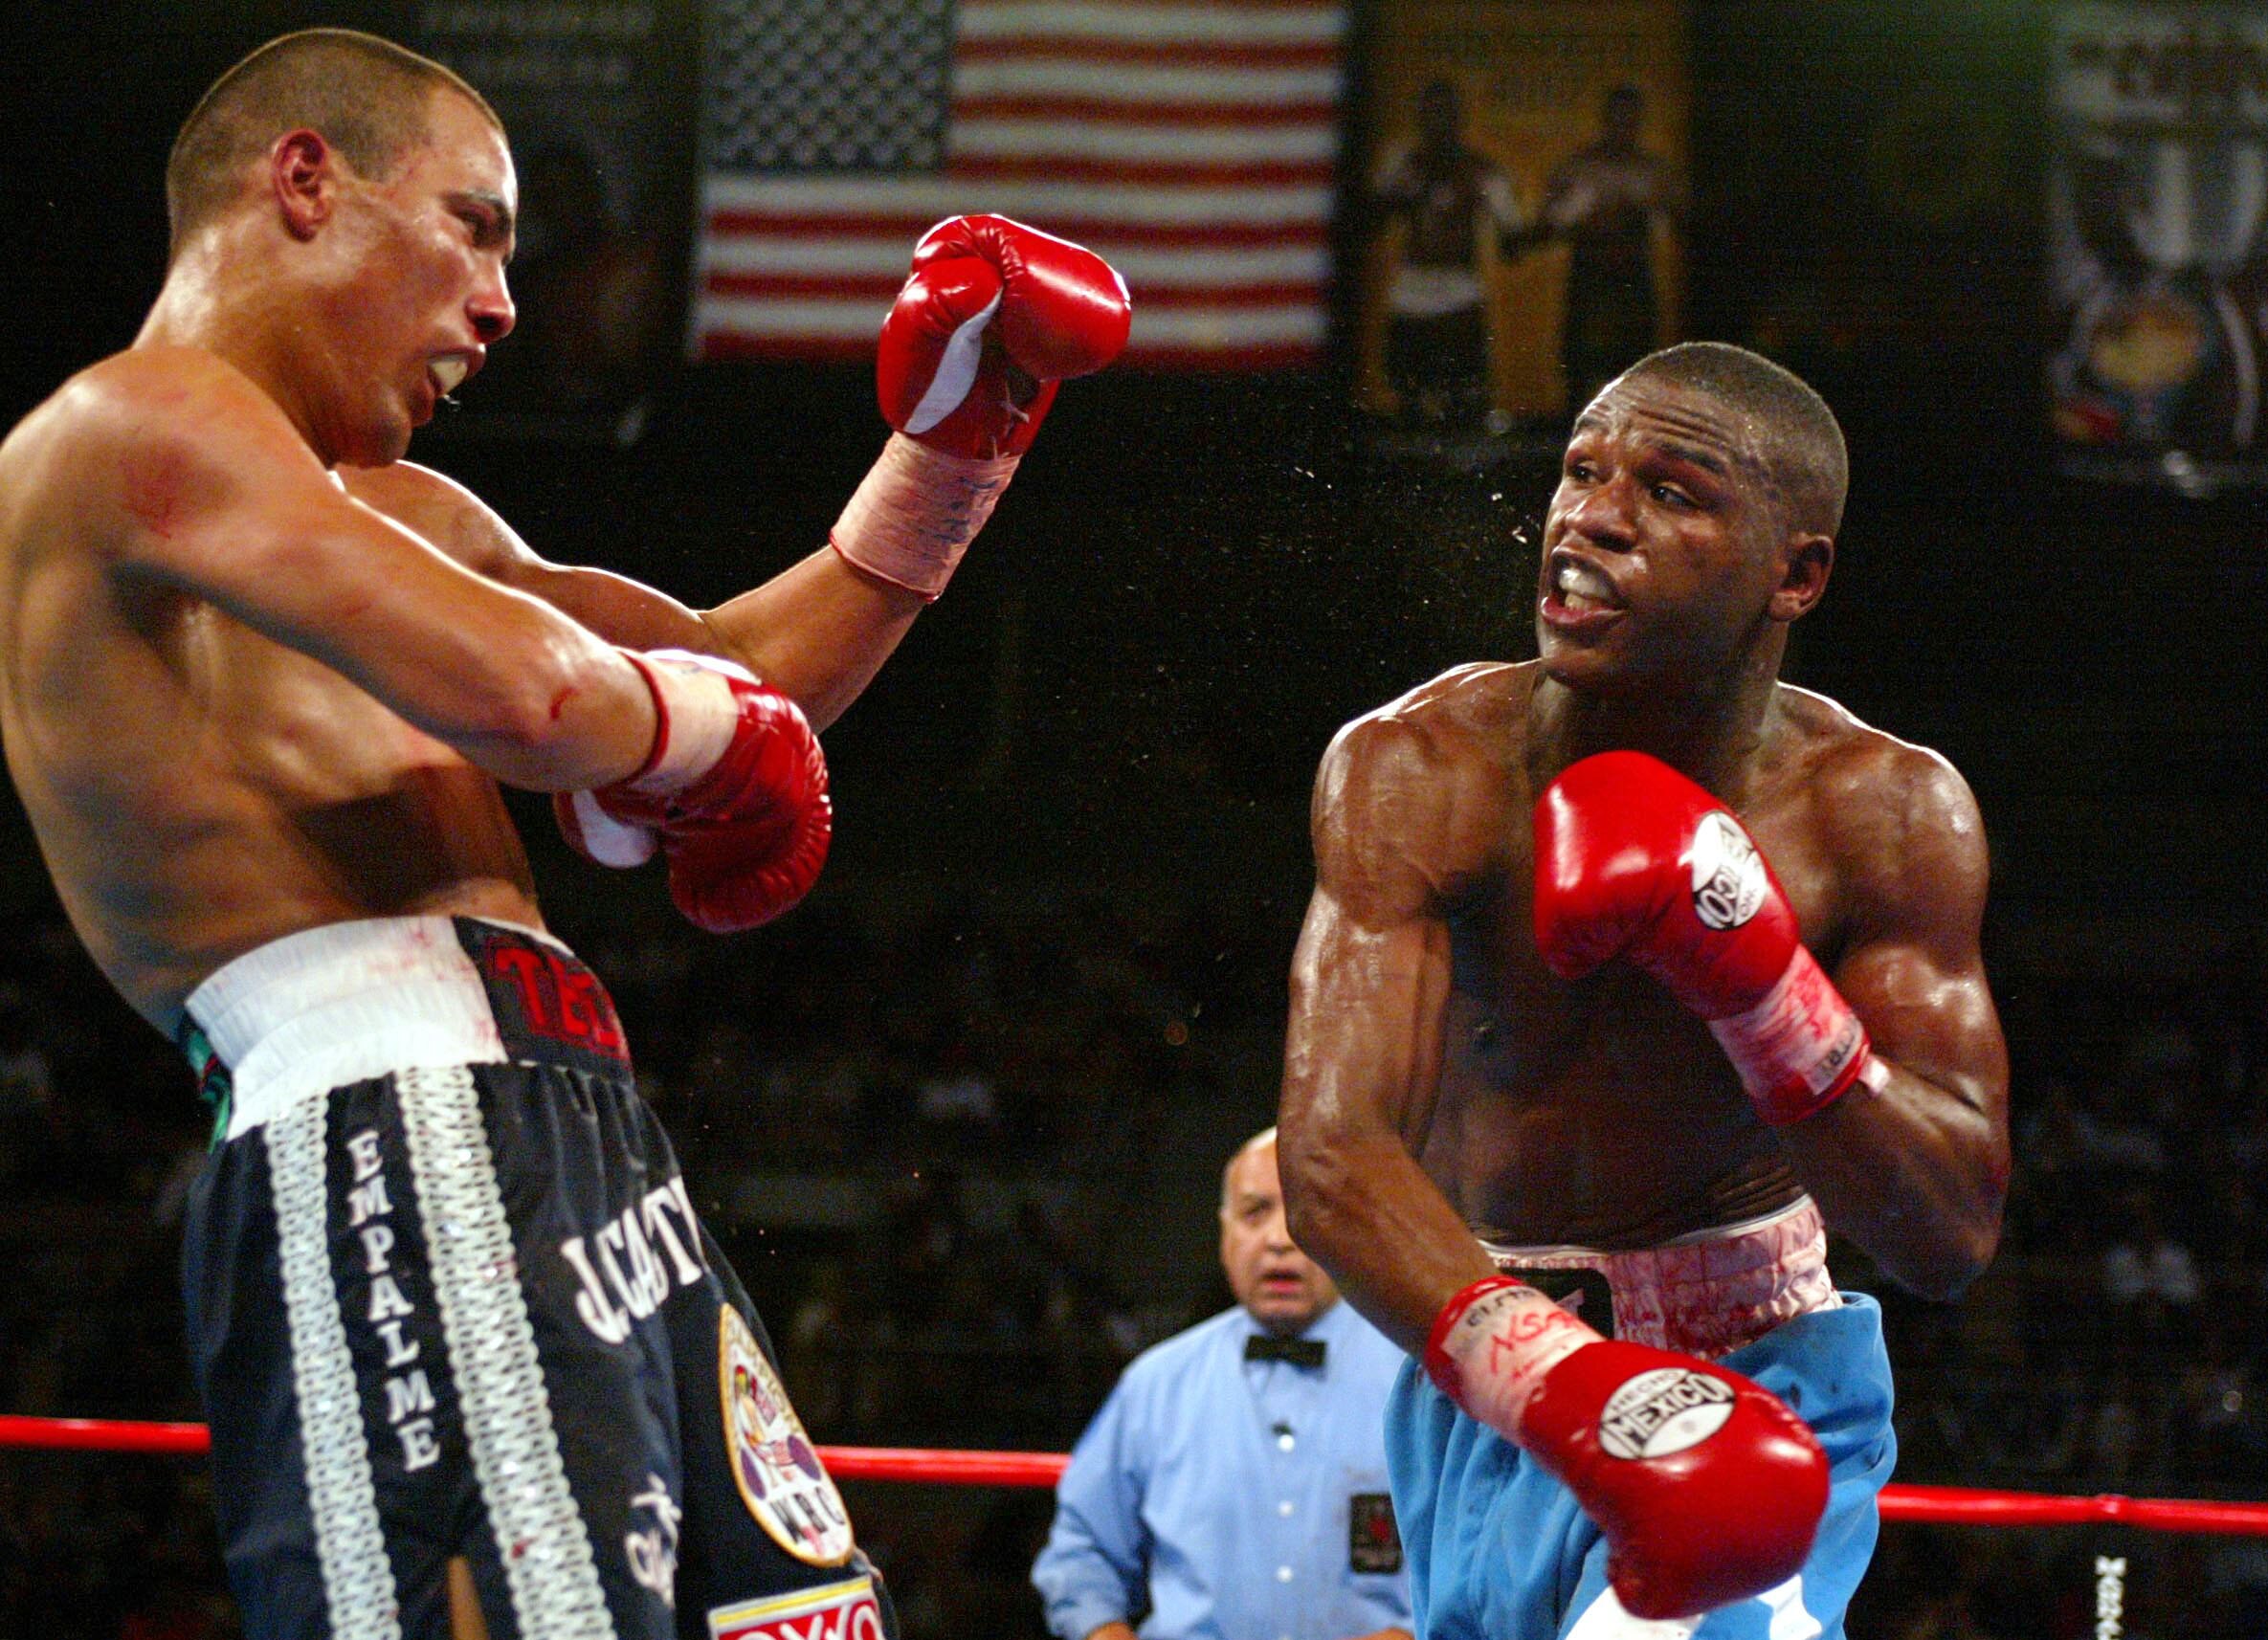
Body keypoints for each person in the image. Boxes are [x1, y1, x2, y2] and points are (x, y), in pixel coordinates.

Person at [0, 28, 1128, 1640]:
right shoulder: (126, 427)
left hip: (580, 1138)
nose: (505, 304)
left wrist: (958, 445)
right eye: (472, 226)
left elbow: (724, 671)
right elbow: (540, 700)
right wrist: (705, 737)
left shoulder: (397, 512)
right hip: (394, 1124)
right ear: (304, 181)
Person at [1277, 341, 2009, 1635]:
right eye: (1579, 470)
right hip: (1483, 1375)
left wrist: (1757, 987)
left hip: (1756, 1375)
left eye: (1671, 491)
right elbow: (1334, 1156)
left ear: (1795, 572)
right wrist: (1567, 1385)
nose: (1591, 515)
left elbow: (1945, 1232)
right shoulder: (1418, 767)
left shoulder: (1879, 814)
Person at [1033, 1129, 1412, 1640]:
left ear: (1346, 1230)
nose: (1279, 1239)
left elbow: (1476, 1557)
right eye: (1255, 1212)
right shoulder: (1155, 1385)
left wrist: (1413, 1633)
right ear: (1224, 1232)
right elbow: (1082, 1552)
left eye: (1304, 1214)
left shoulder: (1418, 1385)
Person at [1367, 79, 1528, 432]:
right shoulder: (1405, 167)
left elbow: (1513, 243)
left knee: (1465, 399)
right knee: (1408, 397)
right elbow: (1368, 225)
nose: (1438, 122)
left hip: (1460, 291)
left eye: (1446, 113)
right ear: (1420, 119)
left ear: (1459, 119)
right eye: (1431, 113)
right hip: (1412, 290)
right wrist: (1393, 190)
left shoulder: (1481, 171)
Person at [1539, 85, 1685, 409]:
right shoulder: (1579, 168)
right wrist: (1579, 210)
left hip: (1633, 281)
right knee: (1580, 375)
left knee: (1637, 379)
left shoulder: (1652, 171)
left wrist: (1652, 202)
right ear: (1606, 120)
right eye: (1618, 117)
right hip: (1589, 279)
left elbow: (1682, 221)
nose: (1623, 125)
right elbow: (1545, 227)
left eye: (1630, 118)